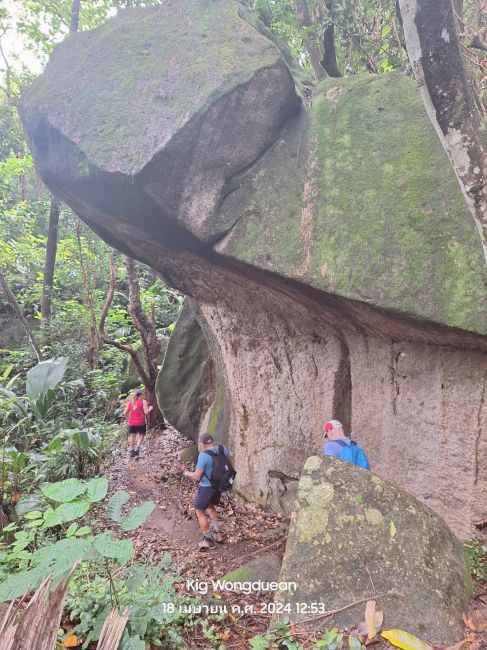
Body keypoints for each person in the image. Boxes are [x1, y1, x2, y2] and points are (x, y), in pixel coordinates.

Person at [181, 433, 229, 550]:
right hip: (218, 487)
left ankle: (208, 540)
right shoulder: (223, 450)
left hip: (206, 488)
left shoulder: (203, 455)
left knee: (200, 511)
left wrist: (186, 473)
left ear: (202, 444)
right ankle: (218, 534)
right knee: (210, 507)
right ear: (212, 441)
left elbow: (197, 476)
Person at [124, 388, 150, 458]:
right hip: (141, 422)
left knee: (132, 436)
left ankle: (131, 451)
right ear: (141, 395)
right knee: (141, 434)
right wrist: (150, 408)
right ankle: (137, 449)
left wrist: (128, 419)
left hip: (131, 422)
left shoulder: (130, 402)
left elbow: (125, 413)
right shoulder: (143, 401)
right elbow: (146, 412)